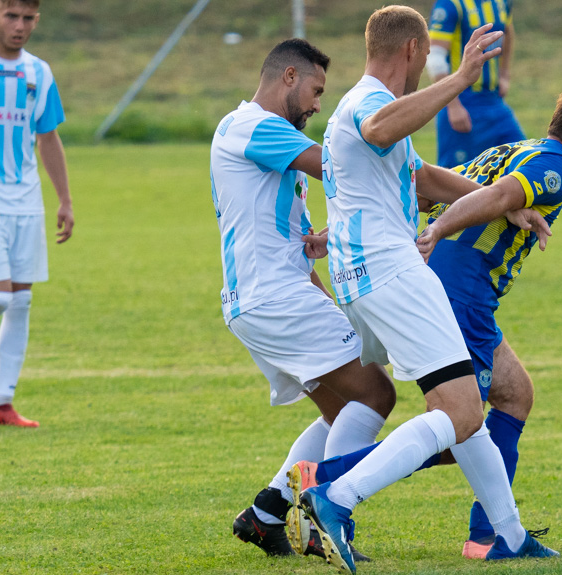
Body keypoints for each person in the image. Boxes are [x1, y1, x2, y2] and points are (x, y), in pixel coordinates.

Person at [292, 81, 562, 562]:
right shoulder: (557, 167)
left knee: (513, 396)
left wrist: (342, 233)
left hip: (462, 295)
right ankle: (325, 480)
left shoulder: (515, 148)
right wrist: (441, 230)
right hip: (461, 294)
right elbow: (496, 198)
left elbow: (422, 190)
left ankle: (497, 536)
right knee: (457, 426)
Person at [292, 7, 557, 574]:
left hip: (368, 278)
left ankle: (507, 534)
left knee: (461, 411)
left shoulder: (368, 107)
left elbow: (424, 178)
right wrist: (458, 80)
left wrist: (509, 207)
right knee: (460, 410)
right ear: (412, 50)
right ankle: (334, 497)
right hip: (392, 271)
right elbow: (380, 128)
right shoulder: (367, 103)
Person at [208, 38, 396, 561]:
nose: (317, 105)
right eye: (316, 91)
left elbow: (281, 231)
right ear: (288, 77)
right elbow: (340, 170)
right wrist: (409, 178)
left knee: (343, 412)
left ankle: (268, 513)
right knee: (376, 395)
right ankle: (323, 518)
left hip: (269, 296)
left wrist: (322, 247)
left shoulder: (257, 134)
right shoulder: (257, 126)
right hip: (273, 298)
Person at [0, 0, 74, 428]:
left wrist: (64, 199)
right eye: (12, 16)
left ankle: (2, 402)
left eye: (28, 18)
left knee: (20, 300)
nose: (20, 26)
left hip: (25, 200)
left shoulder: (39, 72)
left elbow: (48, 137)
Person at [426, 0, 525, 168]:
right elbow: (435, 57)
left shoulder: (501, 2)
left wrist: (505, 74)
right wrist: (453, 105)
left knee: (526, 162)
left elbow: (507, 32)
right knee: (453, 180)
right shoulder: (450, 5)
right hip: (462, 102)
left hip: (494, 102)